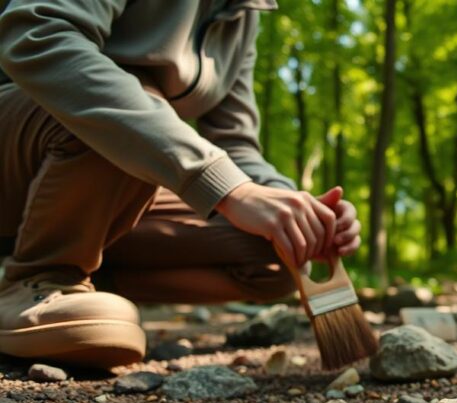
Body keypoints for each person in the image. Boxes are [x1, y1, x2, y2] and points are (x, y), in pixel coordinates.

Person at [0, 1, 362, 369]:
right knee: (134, 104)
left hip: (99, 189)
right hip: (19, 159)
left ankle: (87, 285)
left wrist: (297, 208)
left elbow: (236, 143)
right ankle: (36, 282)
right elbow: (36, 33)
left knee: (273, 254)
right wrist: (227, 188)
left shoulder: (243, 11)